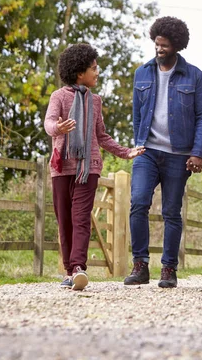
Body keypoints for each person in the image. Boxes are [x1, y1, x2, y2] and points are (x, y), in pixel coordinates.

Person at [44, 43, 144, 291]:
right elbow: (48, 123)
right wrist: (59, 128)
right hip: (62, 167)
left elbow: (102, 136)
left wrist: (125, 152)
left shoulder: (95, 101)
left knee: (80, 220)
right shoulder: (59, 97)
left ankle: (78, 268)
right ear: (80, 73)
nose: (98, 72)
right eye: (94, 68)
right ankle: (69, 271)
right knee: (64, 220)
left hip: (88, 168)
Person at [124, 16, 202, 288]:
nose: (159, 49)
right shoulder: (142, 73)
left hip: (178, 154)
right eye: (156, 44)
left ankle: (169, 269)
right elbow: (138, 115)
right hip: (147, 151)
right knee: (138, 202)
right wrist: (138, 143)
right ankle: (140, 265)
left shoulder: (194, 76)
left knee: (171, 212)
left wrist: (198, 152)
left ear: (177, 45)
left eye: (164, 45)